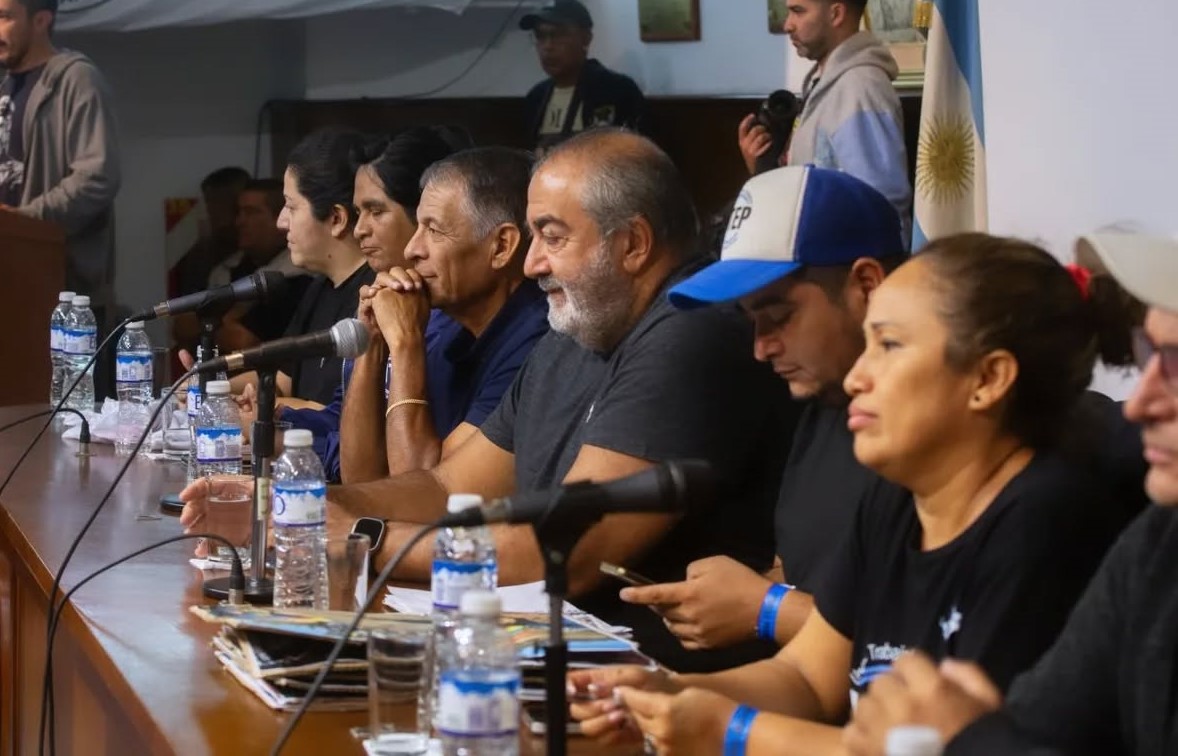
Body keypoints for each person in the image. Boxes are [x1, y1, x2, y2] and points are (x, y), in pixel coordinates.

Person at [181, 129, 796, 673]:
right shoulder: (575, 331)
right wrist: (303, 506)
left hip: (653, 683)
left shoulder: (690, 330)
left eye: (551, 237)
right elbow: (449, 485)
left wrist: (362, 534)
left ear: (633, 243)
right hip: (547, 662)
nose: (532, 264)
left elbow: (568, 552)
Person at [570, 233, 1142, 753]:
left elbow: (943, 748)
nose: (855, 378)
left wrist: (731, 732)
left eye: (888, 345)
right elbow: (806, 679)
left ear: (987, 379)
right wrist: (663, 692)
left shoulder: (1045, 521)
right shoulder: (895, 500)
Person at [843, 230, 1177, 756]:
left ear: (989, 378)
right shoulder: (1158, 543)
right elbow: (1041, 730)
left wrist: (964, 740)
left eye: (1176, 364)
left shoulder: (1050, 515)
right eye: (1148, 353)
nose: (1138, 405)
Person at [617, 166, 909, 651]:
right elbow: (806, 572)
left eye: (779, 317)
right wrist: (728, 596)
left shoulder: (945, 435)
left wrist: (767, 608)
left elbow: (927, 639)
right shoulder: (821, 404)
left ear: (867, 284)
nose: (761, 348)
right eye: (751, 320)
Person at [340, 146, 549, 482]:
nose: (412, 250)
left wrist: (405, 344)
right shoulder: (450, 329)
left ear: (501, 246)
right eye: (418, 228)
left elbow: (419, 491)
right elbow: (361, 480)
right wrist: (373, 343)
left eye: (434, 231)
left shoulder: (538, 343)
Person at [284, 126, 465, 480]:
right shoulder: (380, 302)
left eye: (376, 211)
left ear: (424, 213)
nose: (359, 229)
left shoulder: (454, 324)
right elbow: (354, 466)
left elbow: (414, 482)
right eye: (358, 211)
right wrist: (271, 420)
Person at [0, 0, 120, 393]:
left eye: (4, 17)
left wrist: (24, 219)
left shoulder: (76, 79)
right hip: (11, 281)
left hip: (62, 293)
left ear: (41, 20)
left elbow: (97, 178)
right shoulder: (5, 87)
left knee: (61, 412)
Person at [738, 0, 910, 238]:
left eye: (798, 11)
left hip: (843, 259)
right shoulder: (826, 83)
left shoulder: (859, 88)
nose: (788, 25)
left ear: (836, 14)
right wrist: (761, 167)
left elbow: (879, 204)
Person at [520, 0, 645, 156]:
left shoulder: (617, 90)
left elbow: (640, 155)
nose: (547, 46)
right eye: (540, 36)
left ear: (586, 39)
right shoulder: (535, 97)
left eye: (558, 35)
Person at [214, 178, 309, 353]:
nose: (240, 222)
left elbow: (246, 344)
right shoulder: (229, 268)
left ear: (280, 219)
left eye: (251, 212)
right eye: (239, 212)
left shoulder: (299, 278)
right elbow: (183, 327)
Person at [170, 166, 252, 352]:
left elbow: (241, 340)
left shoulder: (270, 263)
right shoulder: (201, 256)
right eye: (210, 203)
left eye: (221, 202)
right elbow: (182, 326)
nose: (214, 211)